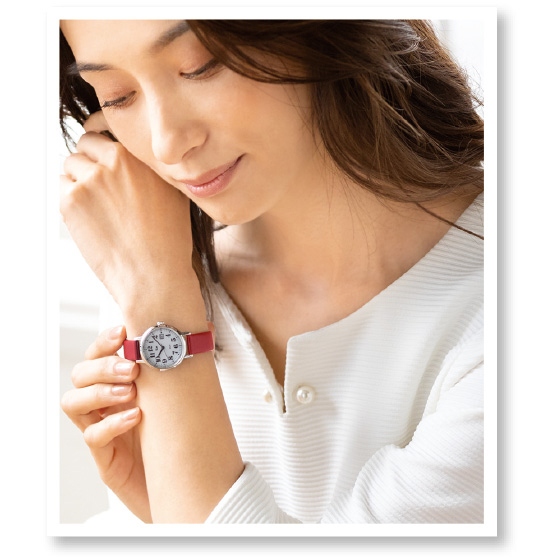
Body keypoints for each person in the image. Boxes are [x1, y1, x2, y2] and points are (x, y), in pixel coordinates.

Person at [59, 19, 485, 524]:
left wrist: (162, 304)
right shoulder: (153, 261)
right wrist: (158, 514)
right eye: (117, 95)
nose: (167, 144)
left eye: (200, 67)